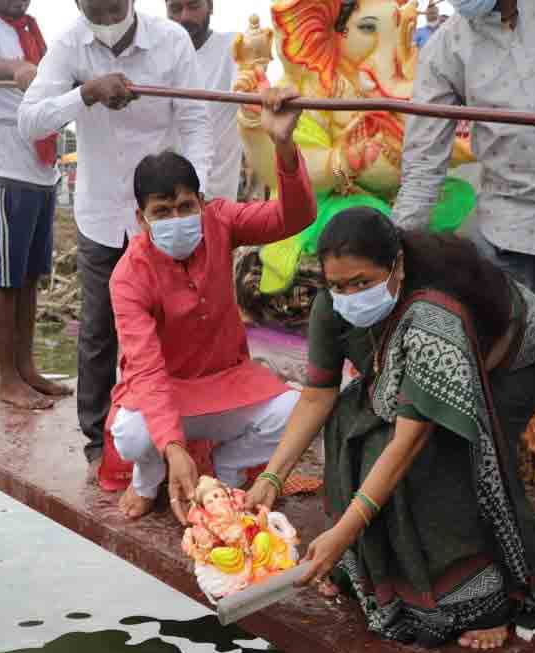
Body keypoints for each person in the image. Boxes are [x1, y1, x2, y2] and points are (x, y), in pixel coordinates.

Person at [244, 207, 535, 651]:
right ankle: (373, 567)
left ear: (398, 267)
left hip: (516, 358)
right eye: (339, 286)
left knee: (460, 461)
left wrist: (342, 532)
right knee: (350, 425)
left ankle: (493, 592)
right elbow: (317, 397)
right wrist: (271, 478)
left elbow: (408, 443)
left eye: (362, 283)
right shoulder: (332, 306)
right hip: (420, 367)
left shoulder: (434, 315)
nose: (349, 295)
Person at [392, 0, 535, 460]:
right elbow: (424, 160)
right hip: (511, 222)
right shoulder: (447, 47)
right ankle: (501, 476)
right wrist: (393, 255)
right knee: (502, 357)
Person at [18, 0, 213, 467]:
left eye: (112, 9)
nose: (105, 19)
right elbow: (30, 121)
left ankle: (177, 431)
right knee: (100, 329)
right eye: (94, 11)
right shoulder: (67, 44)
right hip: (102, 214)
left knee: (175, 323)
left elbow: (195, 122)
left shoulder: (171, 41)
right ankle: (97, 439)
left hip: (163, 212)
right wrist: (84, 94)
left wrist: (196, 198)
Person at [109, 88, 316, 521]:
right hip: (164, 391)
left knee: (298, 412)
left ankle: (228, 469)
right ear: (140, 218)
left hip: (228, 382)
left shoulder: (221, 221)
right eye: (162, 212)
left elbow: (295, 218)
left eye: (186, 206)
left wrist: (282, 144)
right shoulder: (129, 275)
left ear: (203, 204)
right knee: (131, 436)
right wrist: (173, 449)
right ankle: (148, 479)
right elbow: (145, 369)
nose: (177, 219)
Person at [0, 0, 72, 409]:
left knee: (28, 276)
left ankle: (26, 368)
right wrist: (15, 68)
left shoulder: (31, 28)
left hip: (40, 169)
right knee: (5, 275)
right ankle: (6, 378)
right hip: (5, 166)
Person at [166, 0, 244, 202]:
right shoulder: (157, 57)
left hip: (217, 199)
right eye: (175, 8)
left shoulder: (235, 47)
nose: (184, 17)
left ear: (210, 5)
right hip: (165, 200)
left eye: (193, 6)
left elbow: (251, 88)